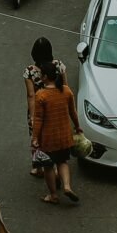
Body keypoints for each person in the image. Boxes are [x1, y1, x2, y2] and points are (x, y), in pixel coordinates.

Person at [31, 62, 81, 205]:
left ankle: (53, 195)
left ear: (46, 77)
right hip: (65, 136)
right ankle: (66, 186)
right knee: (63, 161)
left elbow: (38, 120)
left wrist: (35, 138)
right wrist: (77, 127)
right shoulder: (66, 91)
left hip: (49, 138)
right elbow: (73, 112)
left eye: (42, 75)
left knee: (48, 166)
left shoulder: (41, 95)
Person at [24, 38, 68, 176]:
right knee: (53, 137)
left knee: (36, 138)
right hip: (56, 108)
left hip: (38, 109)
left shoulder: (30, 71)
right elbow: (65, 87)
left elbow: (31, 95)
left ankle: (38, 168)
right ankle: (54, 165)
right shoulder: (59, 66)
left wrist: (32, 116)